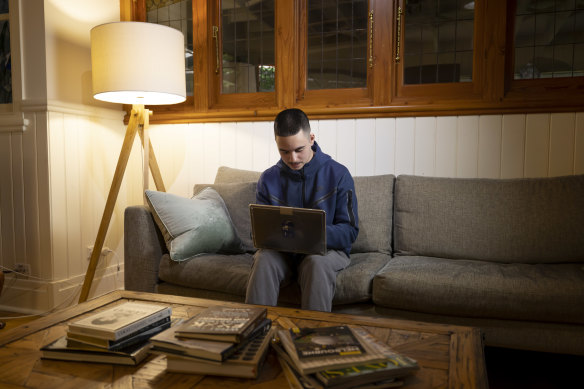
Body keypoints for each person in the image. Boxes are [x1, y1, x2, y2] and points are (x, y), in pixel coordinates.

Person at [245, 108, 359, 312]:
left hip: (325, 252)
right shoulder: (268, 179)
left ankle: (313, 339)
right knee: (263, 259)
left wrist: (312, 233)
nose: (293, 158)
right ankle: (253, 333)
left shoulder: (339, 174)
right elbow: (259, 232)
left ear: (312, 139)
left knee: (316, 263)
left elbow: (349, 231)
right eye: (284, 151)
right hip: (283, 254)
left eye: (299, 149)